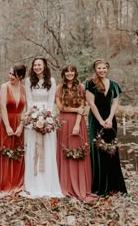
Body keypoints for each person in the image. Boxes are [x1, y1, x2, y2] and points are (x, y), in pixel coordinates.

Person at [56, 65, 98, 202]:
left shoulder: (81, 87)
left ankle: (81, 185)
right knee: (64, 153)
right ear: (64, 73)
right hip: (63, 123)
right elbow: (60, 107)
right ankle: (65, 184)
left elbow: (82, 107)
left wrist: (76, 125)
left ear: (75, 73)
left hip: (77, 123)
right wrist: (75, 110)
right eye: (67, 71)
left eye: (72, 71)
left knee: (78, 152)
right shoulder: (59, 88)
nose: (69, 74)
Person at [85, 59, 127, 196]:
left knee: (111, 151)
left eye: (104, 68)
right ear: (95, 69)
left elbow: (115, 104)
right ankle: (100, 186)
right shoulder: (90, 83)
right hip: (96, 120)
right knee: (98, 151)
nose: (102, 70)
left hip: (110, 120)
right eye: (99, 68)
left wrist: (109, 119)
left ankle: (114, 185)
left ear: (107, 69)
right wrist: (101, 121)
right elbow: (91, 103)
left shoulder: (114, 84)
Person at [24, 57, 62, 197]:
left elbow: (51, 101)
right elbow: (29, 100)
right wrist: (31, 117)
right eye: (35, 65)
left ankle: (48, 183)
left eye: (39, 65)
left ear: (44, 66)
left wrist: (48, 119)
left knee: (47, 148)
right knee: (33, 148)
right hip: (33, 115)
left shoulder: (51, 81)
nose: (37, 67)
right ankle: (33, 182)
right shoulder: (28, 81)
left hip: (47, 116)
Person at [0, 65, 27, 195]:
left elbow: (26, 108)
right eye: (9, 73)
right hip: (6, 122)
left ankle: (17, 182)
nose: (10, 77)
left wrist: (21, 126)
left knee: (18, 152)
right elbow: (2, 107)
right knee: (6, 151)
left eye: (13, 74)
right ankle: (5, 183)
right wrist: (8, 126)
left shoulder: (24, 89)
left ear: (20, 76)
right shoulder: (5, 87)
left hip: (19, 122)